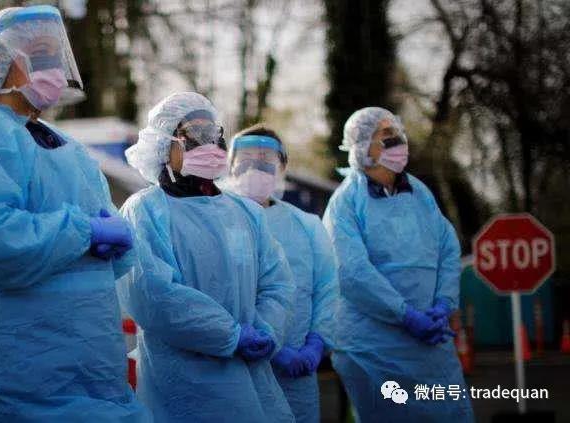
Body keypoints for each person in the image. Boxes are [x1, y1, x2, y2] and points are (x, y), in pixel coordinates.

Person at [0, 6, 150, 421]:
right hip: (24, 360)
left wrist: (117, 241)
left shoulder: (69, 149)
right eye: (40, 54)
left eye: (56, 54)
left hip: (95, 361)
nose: (54, 67)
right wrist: (84, 232)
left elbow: (108, 250)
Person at [117, 92, 296, 422]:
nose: (208, 144)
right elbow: (154, 296)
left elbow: (277, 282)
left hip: (252, 378)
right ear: (163, 145)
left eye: (214, 134)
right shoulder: (145, 211)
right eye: (194, 134)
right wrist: (230, 335)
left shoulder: (245, 212)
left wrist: (267, 330)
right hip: (183, 384)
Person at [322, 107, 474, 422]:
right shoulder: (346, 202)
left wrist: (443, 303)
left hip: (431, 343)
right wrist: (404, 314)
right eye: (387, 135)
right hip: (373, 346)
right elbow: (351, 271)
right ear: (363, 147)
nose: (398, 141)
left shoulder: (419, 193)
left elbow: (447, 248)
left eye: (398, 133)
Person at [225, 124, 338, 422]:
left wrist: (316, 343)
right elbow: (220, 292)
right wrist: (272, 349)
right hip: (238, 366)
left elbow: (327, 288)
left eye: (265, 161)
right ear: (230, 165)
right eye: (246, 160)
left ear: (283, 167)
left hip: (299, 371)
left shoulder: (307, 225)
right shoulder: (218, 220)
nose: (255, 168)